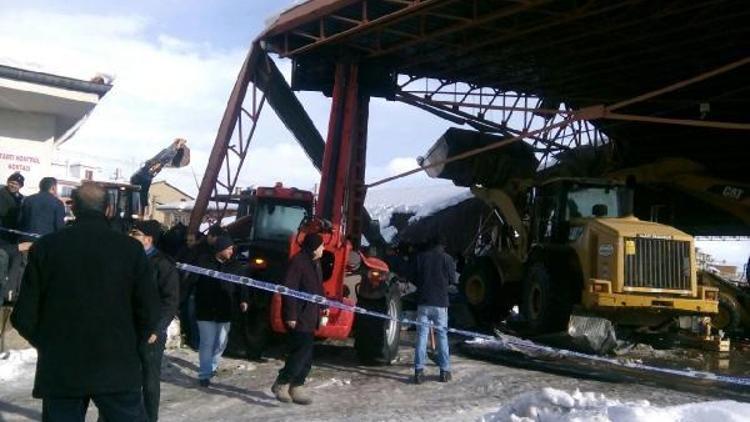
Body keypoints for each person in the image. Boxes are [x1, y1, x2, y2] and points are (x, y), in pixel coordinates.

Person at [10, 182, 160, 422]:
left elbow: (24, 315)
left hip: (62, 367)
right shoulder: (130, 250)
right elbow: (150, 311)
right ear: (109, 209)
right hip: (117, 364)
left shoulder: (46, 248)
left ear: (73, 208)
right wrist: (130, 343)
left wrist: (49, 342)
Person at [129, 220, 180, 422]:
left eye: (135, 234)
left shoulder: (163, 264)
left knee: (149, 380)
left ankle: (150, 418)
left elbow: (171, 301)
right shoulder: (128, 259)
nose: (130, 237)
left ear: (148, 239)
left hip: (150, 332)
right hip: (126, 328)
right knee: (123, 378)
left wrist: (157, 329)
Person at [272, 233, 327, 405]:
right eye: (321, 246)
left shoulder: (315, 263)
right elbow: (289, 290)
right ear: (314, 247)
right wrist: (291, 315)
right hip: (299, 316)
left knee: (307, 356)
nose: (323, 249)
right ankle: (282, 383)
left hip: (311, 316)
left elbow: (317, 288)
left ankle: (297, 386)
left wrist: (324, 305)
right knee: (300, 353)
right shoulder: (298, 262)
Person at [191, 235, 249, 387]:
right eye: (228, 248)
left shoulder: (235, 266)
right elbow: (191, 279)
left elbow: (242, 285)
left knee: (221, 342)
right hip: (205, 309)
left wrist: (244, 299)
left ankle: (213, 366)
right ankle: (204, 374)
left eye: (232, 248)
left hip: (225, 310)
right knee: (207, 342)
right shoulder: (203, 262)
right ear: (220, 249)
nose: (231, 251)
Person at [413, 236, 457, 384]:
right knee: (442, 337)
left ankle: (419, 372)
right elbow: (453, 280)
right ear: (442, 245)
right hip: (441, 304)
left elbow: (414, 277)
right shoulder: (447, 259)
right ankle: (444, 371)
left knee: (421, 337)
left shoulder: (421, 258)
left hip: (423, 303)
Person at [177, 224, 228, 349]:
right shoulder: (202, 250)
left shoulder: (203, 249)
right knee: (193, 315)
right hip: (196, 287)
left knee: (195, 316)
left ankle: (196, 341)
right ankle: (195, 341)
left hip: (198, 288)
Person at [18, 177, 66, 242]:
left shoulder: (28, 199)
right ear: (53, 187)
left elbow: (20, 221)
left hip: (26, 239)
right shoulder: (57, 203)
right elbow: (59, 226)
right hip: (46, 241)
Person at [0, 172, 25, 241]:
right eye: (11, 183)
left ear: (20, 186)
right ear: (7, 182)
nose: (13, 185)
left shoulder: (21, 198)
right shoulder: (1, 193)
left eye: (16, 184)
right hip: (2, 231)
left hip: (14, 232)